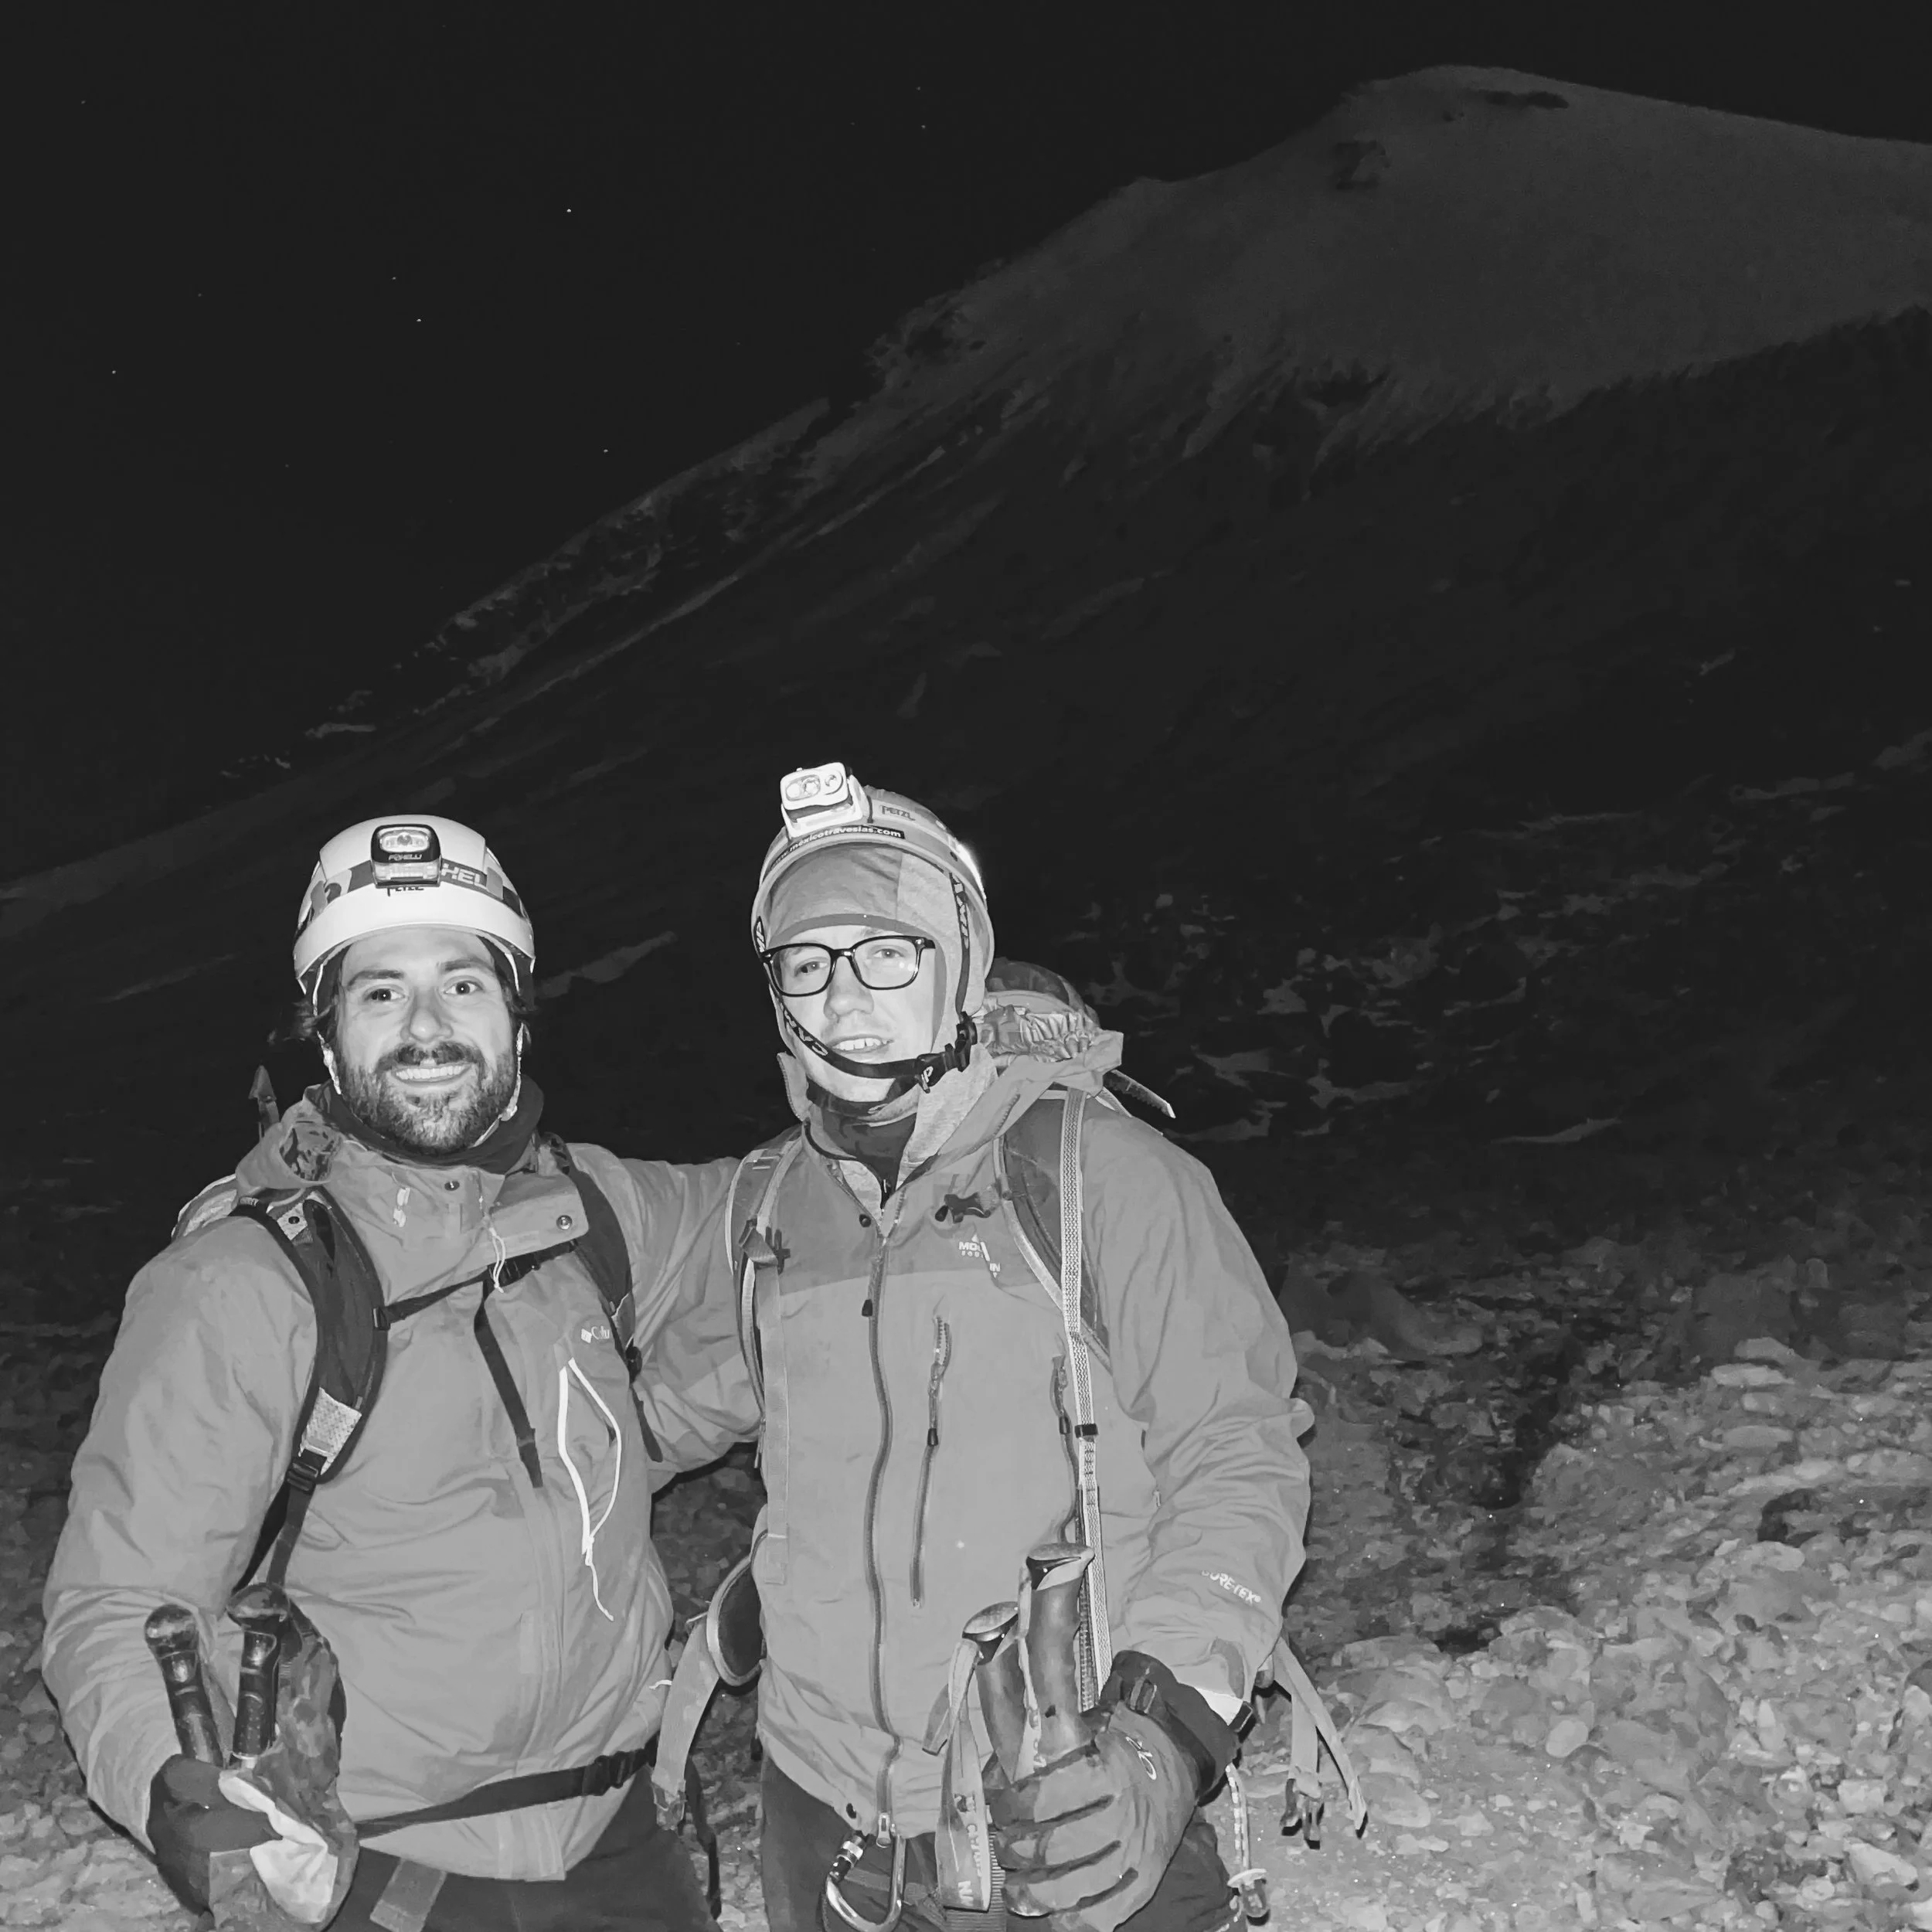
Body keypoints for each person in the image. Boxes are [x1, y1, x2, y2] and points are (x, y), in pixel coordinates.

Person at [641, 763, 1317, 1932]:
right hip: (816, 1812)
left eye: (885, 951)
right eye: (807, 963)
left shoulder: (1104, 1179)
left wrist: (1162, 1736)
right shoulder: (770, 1214)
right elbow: (630, 1424)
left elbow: (1240, 1457)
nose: (845, 994)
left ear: (958, 961)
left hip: (1059, 1792)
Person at [43, 815, 739, 1932]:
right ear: (326, 1039)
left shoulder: (590, 1212)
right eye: (379, 993)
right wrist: (191, 1801)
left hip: (622, 1849)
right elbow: (120, 1601)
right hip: (372, 1874)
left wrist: (986, 1071)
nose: (426, 1026)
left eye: (463, 984)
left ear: (517, 1015)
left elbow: (785, 1227)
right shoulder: (244, 1286)